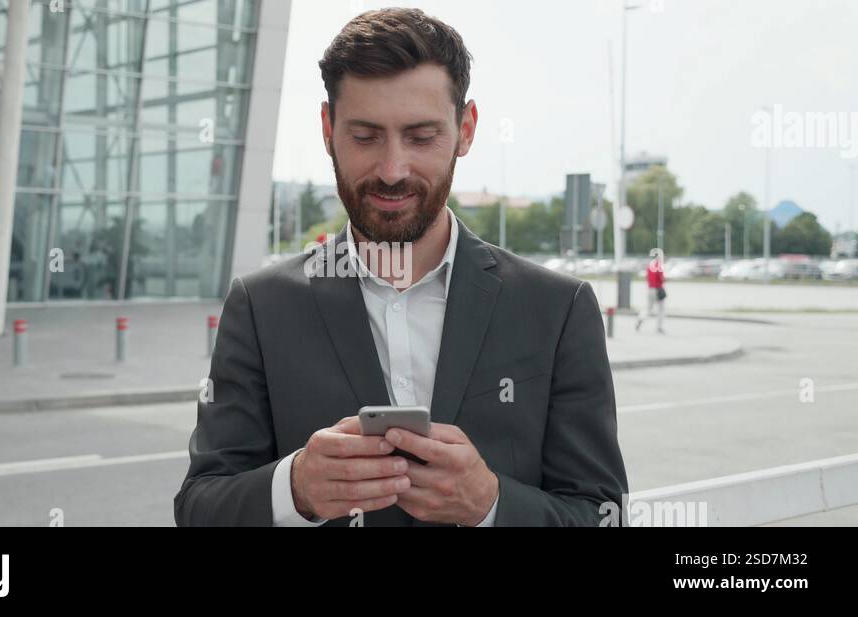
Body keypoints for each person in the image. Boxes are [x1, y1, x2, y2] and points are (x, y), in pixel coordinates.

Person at [174, 8, 627, 526]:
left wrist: (492, 506)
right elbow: (198, 508)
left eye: (421, 136)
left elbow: (604, 515)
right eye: (365, 137)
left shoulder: (558, 308)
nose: (392, 170)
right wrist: (293, 488)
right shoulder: (260, 307)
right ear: (327, 129)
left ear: (466, 128)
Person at [636, 250, 666, 334]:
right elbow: (661, 278)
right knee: (661, 309)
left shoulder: (649, 266)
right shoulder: (658, 266)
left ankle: (640, 319)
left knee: (648, 308)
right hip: (658, 289)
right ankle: (659, 327)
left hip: (650, 289)